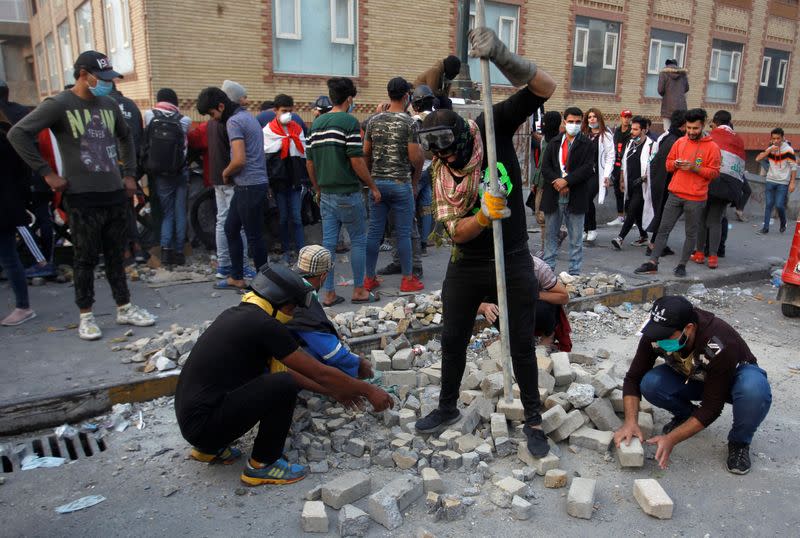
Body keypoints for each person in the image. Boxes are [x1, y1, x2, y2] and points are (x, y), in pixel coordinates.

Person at [413, 26, 557, 459]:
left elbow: (544, 86)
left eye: (455, 156)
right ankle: (446, 407)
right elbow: (453, 230)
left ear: (464, 138)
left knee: (519, 342)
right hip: (468, 260)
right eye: (443, 160)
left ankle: (533, 418)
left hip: (512, 257)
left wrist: (502, 56)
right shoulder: (440, 166)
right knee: (452, 335)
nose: (451, 165)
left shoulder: (490, 127)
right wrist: (480, 216)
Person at [174, 263, 392, 486]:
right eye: (292, 308)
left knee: (279, 380)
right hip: (204, 426)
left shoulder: (241, 314)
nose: (293, 314)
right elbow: (317, 372)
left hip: (194, 421)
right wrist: (368, 389)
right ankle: (263, 463)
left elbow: (290, 370)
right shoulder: (265, 325)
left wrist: (335, 391)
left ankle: (210, 449)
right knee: (283, 385)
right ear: (281, 303)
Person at [8, 51, 156, 340]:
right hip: (82, 196)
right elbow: (18, 134)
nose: (106, 84)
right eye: (101, 79)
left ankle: (124, 306)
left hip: (113, 193)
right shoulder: (60, 104)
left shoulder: (110, 105)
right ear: (83, 74)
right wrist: (47, 173)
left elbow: (126, 137)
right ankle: (86, 315)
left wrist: (129, 174)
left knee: (117, 255)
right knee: (85, 257)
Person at [614, 296, 772, 475]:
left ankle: (739, 443)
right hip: (696, 377)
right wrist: (630, 422)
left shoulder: (719, 342)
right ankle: (685, 415)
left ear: (688, 328)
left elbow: (712, 408)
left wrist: (671, 439)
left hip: (731, 380)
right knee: (651, 383)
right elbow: (633, 378)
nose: (659, 340)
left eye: (666, 336)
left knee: (754, 390)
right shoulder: (655, 333)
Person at [306, 77, 382, 306]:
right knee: (358, 240)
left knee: (328, 243)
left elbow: (309, 163)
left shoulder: (316, 125)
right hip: (348, 193)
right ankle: (359, 290)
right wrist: (373, 186)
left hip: (326, 194)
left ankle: (327, 293)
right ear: (349, 99)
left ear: (331, 98)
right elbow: (357, 161)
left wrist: (318, 188)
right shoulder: (348, 122)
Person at [197, 87, 269, 290]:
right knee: (231, 228)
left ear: (221, 106)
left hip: (249, 185)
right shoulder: (246, 116)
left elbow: (239, 160)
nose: (214, 119)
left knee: (254, 235)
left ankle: (264, 283)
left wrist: (226, 173)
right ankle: (236, 277)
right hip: (249, 184)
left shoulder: (234, 121)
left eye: (212, 114)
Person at [635, 108, 720, 277]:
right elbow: (667, 164)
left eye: (695, 128)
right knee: (663, 229)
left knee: (690, 233)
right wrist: (676, 164)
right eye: (688, 128)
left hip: (696, 198)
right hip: (675, 193)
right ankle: (653, 262)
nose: (691, 132)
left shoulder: (712, 147)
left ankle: (682, 265)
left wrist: (695, 168)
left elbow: (714, 173)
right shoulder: (680, 142)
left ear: (702, 126)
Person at [363, 77, 425, 294]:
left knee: (373, 233)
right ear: (407, 96)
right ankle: (408, 279)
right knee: (404, 233)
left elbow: (366, 153)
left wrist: (371, 182)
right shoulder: (409, 123)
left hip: (378, 185)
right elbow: (415, 157)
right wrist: (415, 181)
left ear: (389, 94)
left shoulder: (373, 121)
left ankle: (369, 278)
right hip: (401, 185)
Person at [288, 245, 374, 378]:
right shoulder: (303, 301)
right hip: (270, 368)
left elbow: (315, 323)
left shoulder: (290, 284)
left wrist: (329, 330)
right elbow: (333, 353)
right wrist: (359, 364)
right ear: (323, 276)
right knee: (323, 359)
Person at [541, 106, 595, 275]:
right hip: (554, 196)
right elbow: (545, 167)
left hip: (576, 196)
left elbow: (587, 169)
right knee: (550, 237)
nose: (574, 125)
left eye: (578, 122)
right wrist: (557, 182)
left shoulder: (587, 144)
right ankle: (548, 272)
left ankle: (574, 273)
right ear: (564, 122)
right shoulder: (554, 142)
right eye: (571, 121)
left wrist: (567, 181)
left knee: (576, 239)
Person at [477, 253, 569, 350]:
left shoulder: (538, 267)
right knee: (491, 305)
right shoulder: (490, 268)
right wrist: (484, 307)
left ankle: (548, 334)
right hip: (507, 305)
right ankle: (507, 334)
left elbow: (564, 297)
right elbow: (465, 305)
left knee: (547, 306)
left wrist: (535, 294)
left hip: (532, 306)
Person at [143, 88, 193, 266]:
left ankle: (165, 251)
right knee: (180, 211)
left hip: (159, 172)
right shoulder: (184, 120)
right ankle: (179, 252)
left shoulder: (149, 115)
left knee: (167, 213)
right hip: (180, 171)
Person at [694, 110, 744, 268]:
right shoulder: (739, 140)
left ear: (715, 122)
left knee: (702, 219)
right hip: (729, 188)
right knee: (715, 221)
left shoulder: (710, 136)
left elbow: (701, 158)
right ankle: (713, 258)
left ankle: (700, 253)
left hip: (710, 182)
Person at [0, 109, 36, 326]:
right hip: (9, 205)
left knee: (9, 258)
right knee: (9, 257)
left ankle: (23, 306)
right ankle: (23, 306)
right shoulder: (11, 135)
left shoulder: (7, 138)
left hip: (5, 207)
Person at [263, 93, 306, 263]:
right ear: (275, 110)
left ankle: (302, 251)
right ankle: (286, 250)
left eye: (289, 110)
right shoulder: (268, 131)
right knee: (282, 217)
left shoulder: (297, 129)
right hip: (279, 181)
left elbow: (304, 153)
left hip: (295, 180)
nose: (287, 113)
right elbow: (265, 156)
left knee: (296, 216)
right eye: (283, 111)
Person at [109, 81, 146, 264]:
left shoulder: (103, 105)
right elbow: (139, 136)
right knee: (128, 207)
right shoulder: (131, 105)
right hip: (131, 167)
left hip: (110, 167)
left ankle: (124, 249)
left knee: (115, 210)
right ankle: (137, 246)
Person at [646, 109, 685, 257]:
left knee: (662, 214)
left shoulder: (667, 136)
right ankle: (654, 245)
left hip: (658, 180)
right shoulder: (675, 140)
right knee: (664, 216)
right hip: (665, 183)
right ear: (683, 125)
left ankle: (658, 244)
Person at [612, 116, 654, 250]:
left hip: (642, 185)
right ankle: (644, 236)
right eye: (632, 129)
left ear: (644, 130)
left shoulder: (651, 145)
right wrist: (622, 180)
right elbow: (624, 162)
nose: (632, 132)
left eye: (636, 129)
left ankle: (620, 238)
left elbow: (654, 165)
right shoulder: (630, 143)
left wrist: (646, 176)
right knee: (636, 211)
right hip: (630, 183)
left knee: (631, 210)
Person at [527, 111, 561, 250]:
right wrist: (535, 182)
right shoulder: (545, 140)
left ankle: (545, 248)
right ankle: (556, 236)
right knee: (539, 215)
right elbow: (541, 162)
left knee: (543, 217)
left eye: (546, 122)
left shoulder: (560, 141)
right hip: (540, 183)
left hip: (552, 183)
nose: (544, 125)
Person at [755, 127, 796, 234]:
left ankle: (783, 222)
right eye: (774, 138)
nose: (776, 141)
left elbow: (794, 167)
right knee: (768, 204)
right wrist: (768, 151)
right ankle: (766, 228)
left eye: (778, 138)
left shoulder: (788, 150)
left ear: (782, 138)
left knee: (779, 205)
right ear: (771, 139)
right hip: (770, 180)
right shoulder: (771, 148)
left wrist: (792, 182)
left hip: (783, 183)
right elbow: (758, 159)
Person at [582, 107, 614, 244]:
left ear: (599, 118)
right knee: (582, 200)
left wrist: (607, 175)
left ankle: (592, 228)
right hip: (583, 173)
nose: (592, 119)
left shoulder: (605, 135)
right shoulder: (584, 135)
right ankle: (584, 229)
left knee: (587, 198)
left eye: (594, 116)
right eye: (589, 117)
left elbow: (610, 156)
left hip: (597, 173)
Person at [608, 110, 633, 226]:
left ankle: (628, 218)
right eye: (625, 117)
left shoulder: (632, 131)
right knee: (617, 192)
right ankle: (620, 216)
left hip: (627, 165)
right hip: (616, 165)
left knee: (627, 191)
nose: (627, 119)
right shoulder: (617, 131)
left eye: (629, 117)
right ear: (621, 118)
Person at [657, 60, 689, 131]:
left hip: (667, 106)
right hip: (681, 108)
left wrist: (666, 95)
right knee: (680, 130)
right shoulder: (683, 74)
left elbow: (660, 90)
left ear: (666, 65)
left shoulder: (663, 73)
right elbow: (686, 88)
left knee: (667, 130)